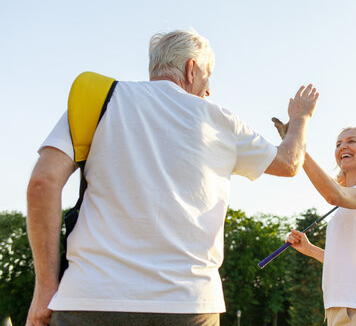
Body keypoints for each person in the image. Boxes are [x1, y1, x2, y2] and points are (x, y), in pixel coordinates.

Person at [26, 29, 319, 326]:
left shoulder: (98, 99)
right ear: (192, 69)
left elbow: (43, 184)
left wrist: (45, 289)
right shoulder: (220, 119)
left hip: (87, 300)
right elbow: (289, 162)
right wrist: (300, 119)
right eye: (208, 76)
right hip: (187, 305)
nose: (208, 90)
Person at [282, 124, 356, 326]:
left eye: (351, 141)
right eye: (338, 144)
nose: (342, 147)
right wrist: (310, 249)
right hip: (336, 304)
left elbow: (334, 195)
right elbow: (345, 261)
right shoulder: (343, 208)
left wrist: (299, 149)